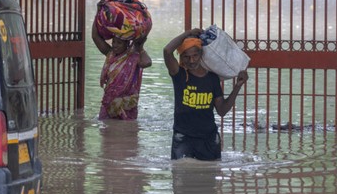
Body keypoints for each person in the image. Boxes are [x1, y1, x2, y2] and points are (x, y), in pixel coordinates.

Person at [163, 28, 248, 160]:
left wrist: (237, 86)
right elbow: (167, 51)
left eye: (195, 56)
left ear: (201, 55)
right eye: (186, 57)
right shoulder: (179, 75)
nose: (191, 61)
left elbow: (222, 110)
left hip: (209, 138)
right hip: (184, 137)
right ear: (181, 57)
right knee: (181, 173)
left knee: (209, 178)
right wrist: (188, 33)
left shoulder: (212, 79)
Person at [92, 24, 152, 120]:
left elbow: (147, 63)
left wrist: (140, 48)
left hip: (126, 106)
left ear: (126, 44)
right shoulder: (110, 54)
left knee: (127, 132)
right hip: (109, 104)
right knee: (106, 131)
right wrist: (98, 13)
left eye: (119, 43)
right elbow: (95, 37)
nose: (115, 45)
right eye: (114, 42)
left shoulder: (133, 58)